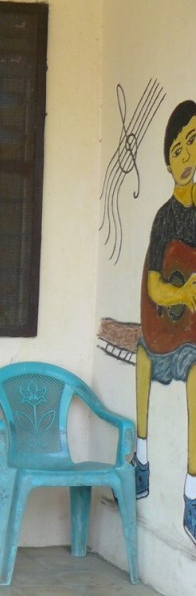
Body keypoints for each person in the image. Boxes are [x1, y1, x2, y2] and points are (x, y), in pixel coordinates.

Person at [135, 99, 196, 545]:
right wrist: (183, 294)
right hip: (164, 329)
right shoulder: (165, 217)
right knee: (142, 353)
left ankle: (192, 493)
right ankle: (141, 459)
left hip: (191, 335)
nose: (185, 157)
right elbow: (155, 286)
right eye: (177, 149)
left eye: (192, 144)